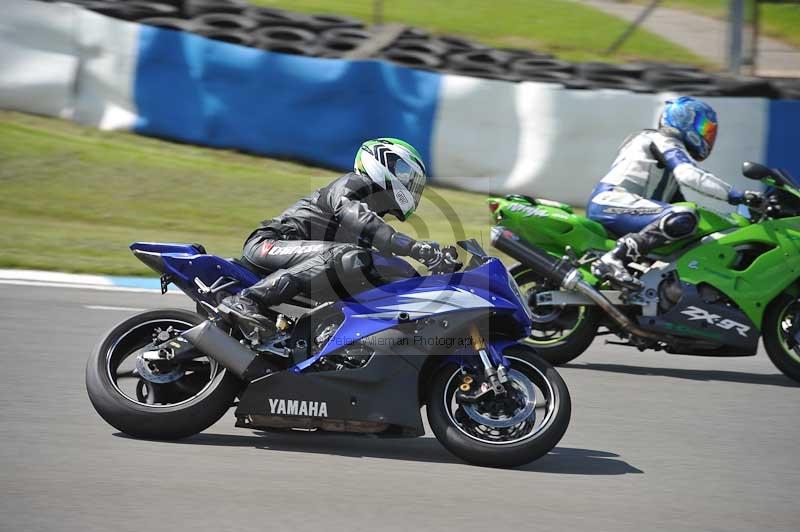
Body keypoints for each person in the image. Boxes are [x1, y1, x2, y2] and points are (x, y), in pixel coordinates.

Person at [218, 137, 442, 336]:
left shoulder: (373, 222)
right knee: (343, 255)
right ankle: (246, 300)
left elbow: (388, 266)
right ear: (383, 161)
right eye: (405, 173)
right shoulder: (355, 183)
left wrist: (435, 270)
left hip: (305, 260)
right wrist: (412, 246)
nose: (410, 185)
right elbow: (353, 214)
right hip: (271, 244)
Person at [587, 96, 764, 286]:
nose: (707, 136)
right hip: (611, 201)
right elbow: (688, 175)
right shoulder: (662, 139)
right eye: (703, 128)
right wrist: (740, 195)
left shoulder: (664, 158)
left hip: (623, 206)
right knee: (683, 216)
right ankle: (614, 259)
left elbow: (680, 203)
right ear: (682, 120)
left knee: (686, 220)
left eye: (709, 131)